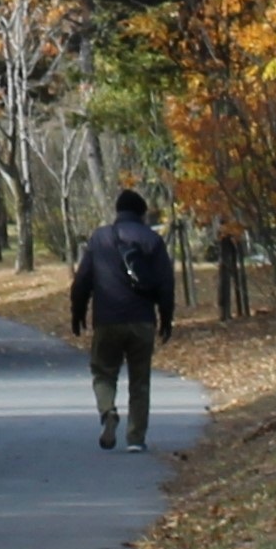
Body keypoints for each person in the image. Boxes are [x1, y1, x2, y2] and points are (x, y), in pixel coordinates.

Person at [67, 187, 177, 450]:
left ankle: (108, 411)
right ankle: (136, 439)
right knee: (140, 381)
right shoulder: (152, 240)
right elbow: (165, 284)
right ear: (141, 213)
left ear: (118, 211)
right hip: (142, 321)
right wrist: (166, 319)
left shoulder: (99, 238)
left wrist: (78, 312)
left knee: (103, 372)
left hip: (107, 319)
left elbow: (82, 281)